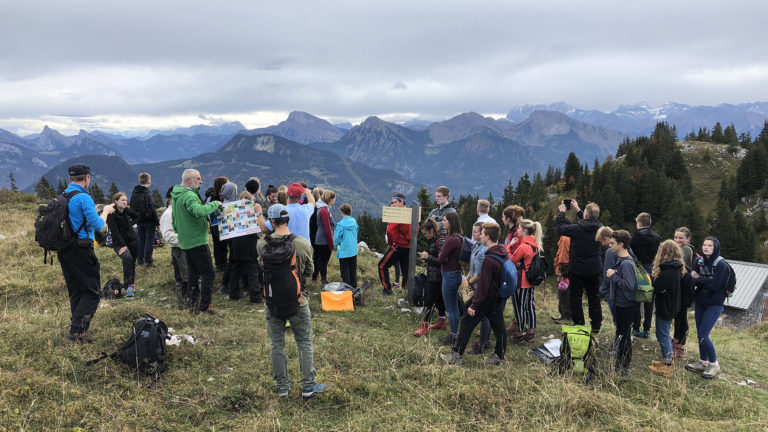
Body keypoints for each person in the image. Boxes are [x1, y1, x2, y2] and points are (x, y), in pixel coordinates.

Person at [257, 203, 326, 398]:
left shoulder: (262, 245)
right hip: (298, 300)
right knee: (304, 341)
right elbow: (310, 271)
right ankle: (308, 387)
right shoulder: (302, 243)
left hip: (273, 303)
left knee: (277, 343)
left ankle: (282, 388)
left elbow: (260, 269)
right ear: (288, 220)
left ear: (271, 221)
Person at [59, 164, 115, 343]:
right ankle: (77, 333)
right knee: (92, 292)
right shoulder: (83, 198)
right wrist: (105, 212)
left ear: (71, 178)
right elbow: (99, 226)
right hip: (81, 249)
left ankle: (78, 331)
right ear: (87, 178)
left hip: (65, 250)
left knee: (76, 290)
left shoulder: (64, 195)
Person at [440, 223, 508, 366]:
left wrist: (475, 304)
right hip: (498, 297)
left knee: (466, 320)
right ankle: (498, 358)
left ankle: (456, 356)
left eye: (482, 233)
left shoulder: (489, 259)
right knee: (499, 326)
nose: (480, 235)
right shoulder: (502, 251)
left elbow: (483, 285)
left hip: (487, 297)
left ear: (488, 236)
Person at [171, 169, 222, 314]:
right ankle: (205, 306)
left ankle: (193, 303)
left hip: (186, 240)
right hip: (197, 241)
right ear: (189, 180)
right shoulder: (189, 196)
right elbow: (198, 211)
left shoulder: (177, 196)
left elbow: (174, 221)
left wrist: (183, 229)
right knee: (208, 274)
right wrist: (215, 204)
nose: (201, 182)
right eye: (198, 179)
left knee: (193, 273)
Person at [556, 200, 604, 334]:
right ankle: (596, 325)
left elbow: (560, 228)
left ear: (586, 215)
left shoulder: (576, 229)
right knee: (594, 296)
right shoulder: (600, 228)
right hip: (594, 268)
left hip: (577, 269)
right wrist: (578, 209)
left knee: (575, 297)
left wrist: (561, 212)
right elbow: (590, 221)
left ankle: (579, 323)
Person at [685, 237, 727, 379]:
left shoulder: (721, 265)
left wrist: (699, 279)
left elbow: (715, 286)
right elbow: (691, 278)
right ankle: (703, 362)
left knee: (704, 334)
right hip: (701, 300)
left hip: (715, 303)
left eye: (710, 245)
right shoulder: (699, 261)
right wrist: (704, 280)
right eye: (704, 245)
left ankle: (714, 365)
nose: (706, 247)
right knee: (699, 334)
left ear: (715, 248)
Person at [648, 240, 690, 377]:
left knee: (663, 335)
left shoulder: (668, 269)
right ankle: (666, 360)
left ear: (664, 252)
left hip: (666, 306)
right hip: (671, 305)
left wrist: (653, 280)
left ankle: (667, 365)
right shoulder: (676, 267)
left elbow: (658, 287)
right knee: (663, 333)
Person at [605, 230, 639, 376]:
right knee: (621, 334)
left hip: (625, 306)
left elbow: (629, 286)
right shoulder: (622, 260)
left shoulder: (626, 263)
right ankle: (620, 364)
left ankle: (624, 367)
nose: (610, 245)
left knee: (624, 336)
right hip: (621, 304)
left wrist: (613, 276)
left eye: (613, 243)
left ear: (621, 244)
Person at [509, 219, 542, 344]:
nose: (517, 230)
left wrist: (509, 246)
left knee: (519, 307)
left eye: (519, 228)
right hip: (531, 280)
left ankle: (519, 334)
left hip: (521, 280)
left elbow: (511, 259)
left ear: (525, 230)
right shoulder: (535, 244)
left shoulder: (523, 246)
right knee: (529, 306)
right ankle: (530, 332)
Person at [413, 219, 447, 337]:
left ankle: (424, 326)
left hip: (437, 276)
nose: (426, 236)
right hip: (435, 275)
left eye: (426, 233)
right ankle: (442, 321)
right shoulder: (436, 240)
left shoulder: (440, 242)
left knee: (429, 300)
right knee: (439, 299)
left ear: (432, 231)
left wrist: (427, 257)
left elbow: (441, 260)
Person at [228, 191, 264, 304]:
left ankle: (233, 294)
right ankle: (255, 297)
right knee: (252, 270)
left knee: (235, 269)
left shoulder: (233, 211)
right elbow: (259, 227)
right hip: (250, 244)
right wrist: (258, 213)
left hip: (236, 243)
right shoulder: (253, 211)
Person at [630, 212, 662, 339]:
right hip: (651, 270)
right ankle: (647, 329)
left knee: (636, 300)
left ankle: (636, 328)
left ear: (639, 223)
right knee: (649, 301)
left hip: (637, 270)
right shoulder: (657, 237)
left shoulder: (635, 238)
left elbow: (631, 254)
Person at [464, 222, 491, 353]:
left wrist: (470, 282)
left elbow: (479, 273)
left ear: (482, 234)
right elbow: (473, 266)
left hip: (480, 286)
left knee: (484, 315)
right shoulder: (476, 245)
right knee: (484, 314)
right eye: (473, 231)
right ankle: (485, 341)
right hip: (474, 284)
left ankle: (483, 342)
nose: (473, 234)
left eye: (475, 232)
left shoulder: (483, 249)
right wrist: (467, 278)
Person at [438, 211, 464, 345]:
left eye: (445, 220)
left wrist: (443, 254)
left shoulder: (451, 239)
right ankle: (455, 333)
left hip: (449, 274)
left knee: (451, 307)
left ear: (451, 222)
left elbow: (441, 258)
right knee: (453, 306)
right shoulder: (459, 238)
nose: (443, 222)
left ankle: (454, 335)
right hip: (456, 272)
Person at [106, 192, 139, 298]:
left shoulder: (126, 210)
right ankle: (128, 286)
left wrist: (131, 224)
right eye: (122, 200)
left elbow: (137, 216)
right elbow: (114, 232)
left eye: (126, 200)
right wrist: (123, 245)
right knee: (127, 259)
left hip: (132, 240)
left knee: (132, 263)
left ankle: (130, 287)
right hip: (119, 242)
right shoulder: (111, 214)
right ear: (116, 201)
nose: (125, 202)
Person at [378, 193, 412, 295]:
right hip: (408, 247)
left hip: (397, 246)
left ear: (402, 202)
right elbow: (416, 229)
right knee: (405, 270)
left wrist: (390, 243)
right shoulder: (410, 213)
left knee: (382, 266)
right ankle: (406, 292)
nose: (392, 204)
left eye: (395, 202)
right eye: (392, 202)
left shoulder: (398, 214)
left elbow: (389, 230)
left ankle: (387, 289)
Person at [160, 187, 188, 310]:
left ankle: (188, 301)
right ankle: (182, 303)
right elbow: (168, 235)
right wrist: (186, 239)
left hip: (186, 247)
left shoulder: (178, 211)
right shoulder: (168, 214)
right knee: (183, 276)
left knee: (187, 274)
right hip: (179, 248)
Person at [672, 227, 695, 358]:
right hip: (681, 285)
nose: (677, 240)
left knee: (681, 317)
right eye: (675, 237)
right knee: (679, 316)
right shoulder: (681, 248)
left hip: (684, 286)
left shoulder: (686, 249)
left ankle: (680, 346)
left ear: (687, 239)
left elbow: (678, 265)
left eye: (680, 238)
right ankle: (677, 342)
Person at [129, 172, 159, 267]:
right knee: (149, 240)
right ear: (149, 181)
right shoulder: (147, 193)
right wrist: (157, 223)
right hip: (149, 220)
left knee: (141, 240)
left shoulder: (134, 193)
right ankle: (148, 261)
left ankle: (140, 260)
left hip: (139, 220)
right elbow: (153, 209)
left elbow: (132, 207)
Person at [218, 181, 239, 295]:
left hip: (228, 237)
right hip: (235, 237)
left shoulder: (222, 204)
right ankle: (226, 285)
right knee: (233, 261)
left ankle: (227, 284)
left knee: (232, 259)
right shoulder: (233, 205)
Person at [205, 176, 229, 272]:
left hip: (223, 224)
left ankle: (224, 262)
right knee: (218, 244)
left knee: (224, 244)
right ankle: (220, 264)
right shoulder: (212, 198)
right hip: (216, 225)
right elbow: (207, 211)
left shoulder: (222, 196)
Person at [314, 189, 336, 285]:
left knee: (320, 259)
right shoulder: (324, 211)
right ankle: (324, 280)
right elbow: (327, 229)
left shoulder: (320, 208)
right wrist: (331, 244)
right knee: (324, 260)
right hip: (324, 239)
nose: (334, 201)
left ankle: (317, 276)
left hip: (320, 237)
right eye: (334, 199)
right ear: (329, 199)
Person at [334, 203, 358, 288]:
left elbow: (336, 239)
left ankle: (347, 289)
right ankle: (354, 288)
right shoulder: (354, 222)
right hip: (353, 250)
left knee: (345, 272)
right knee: (353, 270)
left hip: (344, 251)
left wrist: (336, 246)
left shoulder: (340, 225)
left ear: (341, 212)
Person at [552, 225, 573, 323]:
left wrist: (561, 269)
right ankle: (564, 315)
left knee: (564, 294)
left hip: (565, 270)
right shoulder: (569, 237)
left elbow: (563, 255)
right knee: (564, 293)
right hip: (568, 269)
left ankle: (566, 316)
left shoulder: (565, 238)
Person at [309, 187, 324, 282]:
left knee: (316, 255)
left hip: (311, 233)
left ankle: (315, 274)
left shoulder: (310, 206)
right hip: (318, 234)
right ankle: (317, 275)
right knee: (319, 256)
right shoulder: (320, 209)